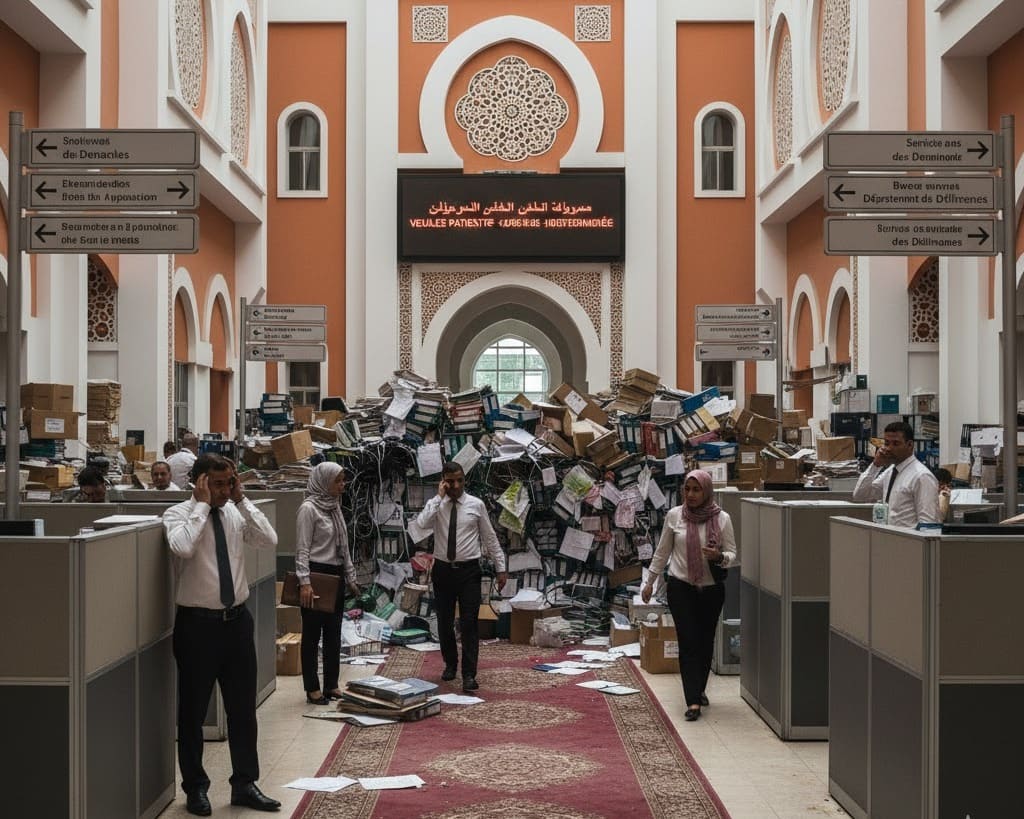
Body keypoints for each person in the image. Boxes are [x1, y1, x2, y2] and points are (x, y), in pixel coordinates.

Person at [164, 454, 281, 815]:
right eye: (217, 484)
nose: (225, 490)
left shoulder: (233, 512)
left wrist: (242, 500)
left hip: (236, 622)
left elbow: (269, 539)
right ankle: (195, 788)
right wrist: (202, 506)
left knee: (243, 710)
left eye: (229, 482)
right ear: (199, 482)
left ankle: (245, 783)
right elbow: (182, 547)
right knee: (193, 712)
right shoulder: (177, 515)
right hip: (197, 626)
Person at [641, 469, 736, 722]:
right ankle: (692, 700)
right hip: (681, 587)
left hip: (711, 589)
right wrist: (649, 582)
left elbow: (732, 554)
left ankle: (699, 687)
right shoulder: (675, 516)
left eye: (697, 489)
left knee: (705, 642)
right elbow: (662, 552)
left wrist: (719, 556)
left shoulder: (722, 519)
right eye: (687, 489)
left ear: (707, 491)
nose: (691, 494)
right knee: (688, 641)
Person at [415, 461, 507, 692]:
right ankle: (450, 663)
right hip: (443, 570)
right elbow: (421, 524)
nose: (456, 486)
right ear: (443, 482)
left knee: (469, 623)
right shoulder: (437, 505)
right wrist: (438, 498)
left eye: (459, 480)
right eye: (450, 481)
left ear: (464, 480)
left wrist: (501, 567)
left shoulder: (476, 505)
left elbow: (489, 537)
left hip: (469, 571)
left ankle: (468, 674)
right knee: (444, 622)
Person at [295, 462, 360, 704]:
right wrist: (304, 581)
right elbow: (302, 549)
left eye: (343, 480)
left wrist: (350, 576)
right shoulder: (308, 509)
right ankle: (312, 688)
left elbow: (344, 547)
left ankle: (331, 684)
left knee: (333, 633)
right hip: (315, 575)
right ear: (324, 482)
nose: (343, 485)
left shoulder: (334, 506)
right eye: (338, 481)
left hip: (335, 574)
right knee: (312, 635)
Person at [852, 421, 939, 528]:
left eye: (896, 444)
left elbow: (928, 524)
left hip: (908, 537)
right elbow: (860, 495)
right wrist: (875, 465)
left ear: (910, 445)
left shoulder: (922, 476)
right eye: (887, 443)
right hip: (889, 535)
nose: (889, 448)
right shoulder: (891, 471)